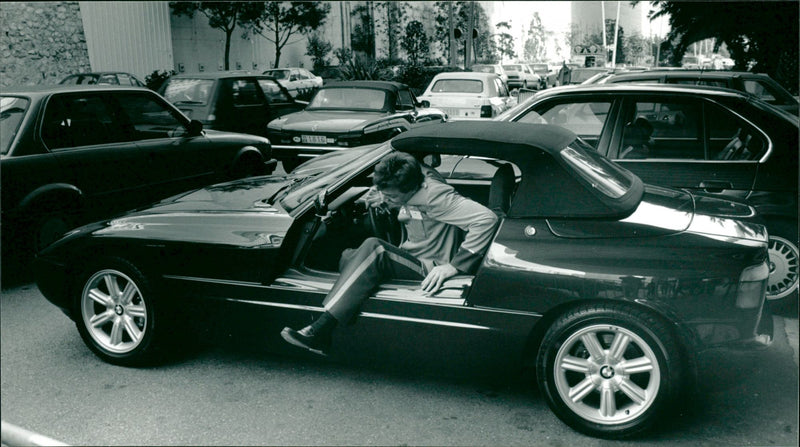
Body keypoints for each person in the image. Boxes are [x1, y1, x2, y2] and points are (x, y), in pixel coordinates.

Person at [280, 152, 500, 355]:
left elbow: (486, 219)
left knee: (374, 248)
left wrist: (455, 266)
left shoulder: (435, 195)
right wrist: (388, 203)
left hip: (429, 266)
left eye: (392, 197)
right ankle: (351, 316)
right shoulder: (409, 178)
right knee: (347, 255)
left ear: (412, 188)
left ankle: (321, 329)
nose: (386, 199)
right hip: (412, 254)